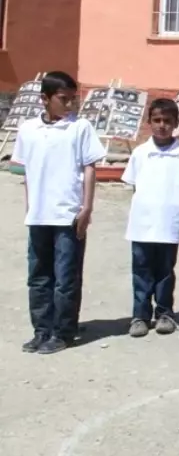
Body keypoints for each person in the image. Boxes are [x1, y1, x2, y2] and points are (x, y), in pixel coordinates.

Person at [13, 71, 106, 355]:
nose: (69, 105)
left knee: (66, 277)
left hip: (68, 215)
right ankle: (41, 329)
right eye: (63, 99)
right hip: (40, 216)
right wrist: (31, 206)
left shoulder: (80, 128)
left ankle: (63, 332)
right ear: (45, 99)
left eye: (72, 99)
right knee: (39, 276)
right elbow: (27, 171)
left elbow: (90, 168)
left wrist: (86, 208)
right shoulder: (28, 129)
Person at [121, 97, 179, 337]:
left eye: (167, 120)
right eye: (157, 120)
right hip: (142, 223)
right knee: (141, 270)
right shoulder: (141, 153)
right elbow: (135, 185)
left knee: (165, 271)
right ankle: (140, 316)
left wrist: (172, 207)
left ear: (176, 123)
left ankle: (165, 313)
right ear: (149, 123)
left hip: (169, 223)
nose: (162, 125)